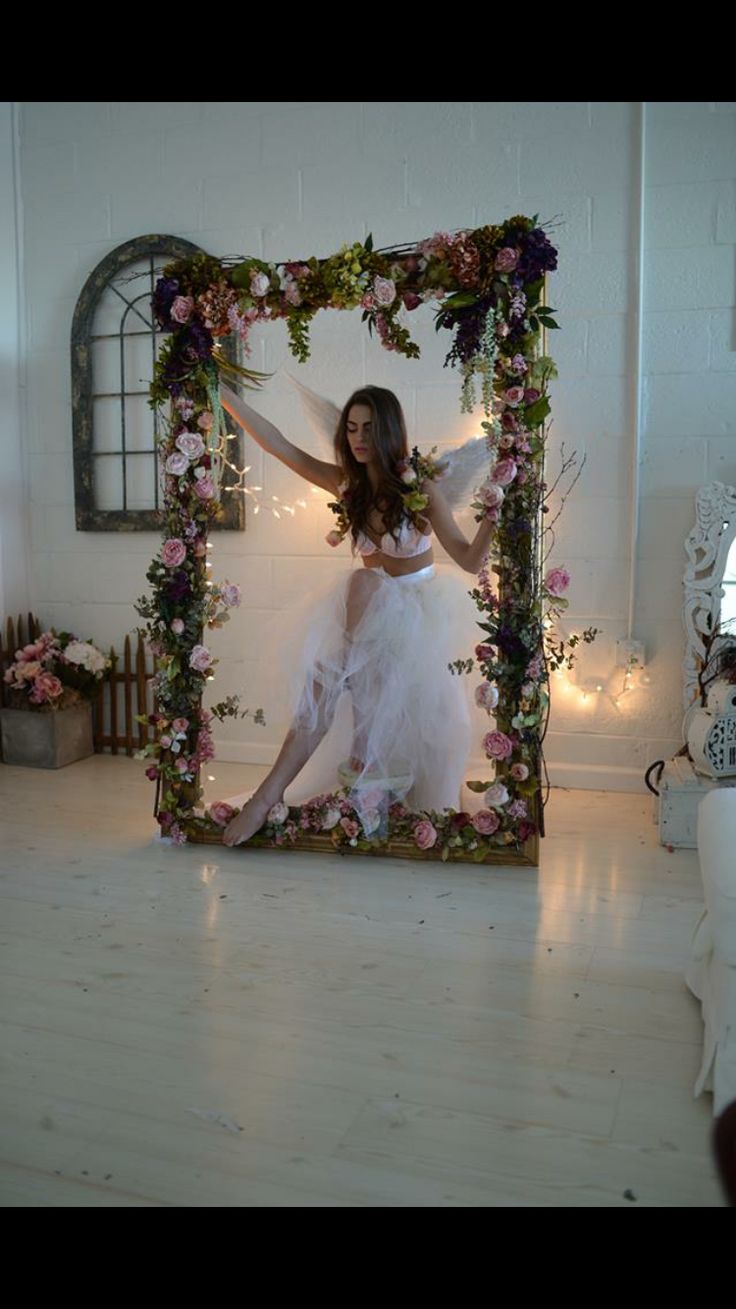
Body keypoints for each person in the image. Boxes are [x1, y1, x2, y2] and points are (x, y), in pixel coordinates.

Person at [218, 381, 495, 847]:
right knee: (352, 610)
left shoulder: (420, 486)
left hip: (416, 622)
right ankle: (267, 797)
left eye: (368, 428)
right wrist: (223, 394)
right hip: (362, 620)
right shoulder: (348, 487)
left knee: (360, 597)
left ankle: (362, 753)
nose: (358, 438)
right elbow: (279, 444)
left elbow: (469, 561)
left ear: (389, 431)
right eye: (350, 428)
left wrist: (494, 513)